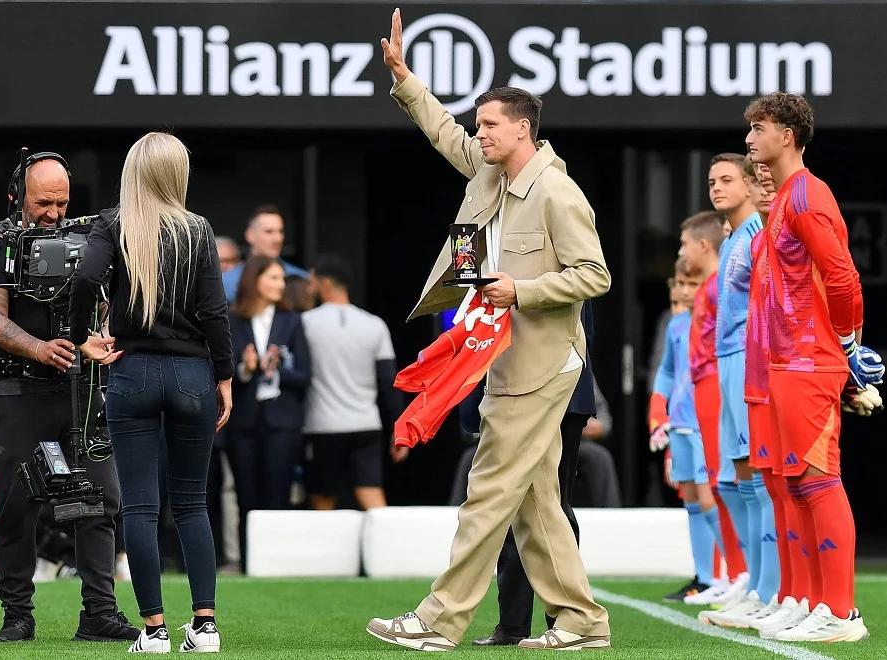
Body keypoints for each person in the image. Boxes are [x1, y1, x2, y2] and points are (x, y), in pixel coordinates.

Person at [367, 9, 611, 651]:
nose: (479, 135)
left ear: (523, 130)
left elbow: (595, 275)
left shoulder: (560, 193)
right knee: (535, 503)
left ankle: (439, 619)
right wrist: (402, 75)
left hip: (543, 365)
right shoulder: (487, 172)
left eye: (490, 125)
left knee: (488, 491)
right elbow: (441, 130)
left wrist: (521, 290)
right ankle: (583, 621)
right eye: (480, 126)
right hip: (501, 363)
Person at [69, 132, 233, 654]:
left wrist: (82, 340)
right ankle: (204, 626)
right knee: (191, 505)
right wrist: (225, 376)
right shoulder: (198, 230)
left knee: (139, 507)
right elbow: (214, 311)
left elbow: (83, 281)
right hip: (192, 375)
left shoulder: (114, 224)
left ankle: (155, 629)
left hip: (132, 370)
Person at [0, 153, 138, 643]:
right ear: (18, 195)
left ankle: (99, 613)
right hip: (18, 388)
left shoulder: (89, 238)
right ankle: (17, 615)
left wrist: (104, 332)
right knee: (16, 505)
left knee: (97, 502)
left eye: (62, 201)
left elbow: (110, 297)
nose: (54, 212)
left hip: (80, 389)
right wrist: (40, 349)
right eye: (44, 202)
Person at [746, 91, 881, 642]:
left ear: (787, 134)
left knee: (819, 481)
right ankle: (807, 599)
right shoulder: (782, 200)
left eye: (758, 128)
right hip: (785, 360)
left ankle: (842, 613)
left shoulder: (807, 196)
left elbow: (844, 277)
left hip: (809, 360)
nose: (750, 140)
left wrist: (848, 348)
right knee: (794, 484)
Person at [471, 301, 600, 647]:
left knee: (552, 506)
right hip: (516, 387)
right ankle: (515, 624)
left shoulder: (560, 259)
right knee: (518, 507)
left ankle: (565, 621)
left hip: (557, 388)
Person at [701, 152, 782, 628]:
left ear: (751, 186)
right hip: (727, 360)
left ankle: (768, 589)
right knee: (739, 477)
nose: (717, 187)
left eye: (727, 179)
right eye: (712, 181)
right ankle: (754, 583)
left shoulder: (755, 236)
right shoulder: (732, 237)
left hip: (750, 361)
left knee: (759, 476)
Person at [680, 210, 747, 608]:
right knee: (722, 483)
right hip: (708, 383)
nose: (681, 250)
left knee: (730, 481)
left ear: (704, 246)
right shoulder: (707, 285)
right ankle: (734, 572)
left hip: (718, 382)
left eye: (685, 243)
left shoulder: (719, 285)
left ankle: (743, 573)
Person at [647, 258, 724, 602]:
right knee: (691, 499)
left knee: (710, 497)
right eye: (679, 283)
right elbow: (666, 372)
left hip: (705, 423)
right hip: (679, 424)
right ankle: (704, 578)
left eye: (692, 284)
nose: (684, 290)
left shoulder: (716, 322)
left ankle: (735, 575)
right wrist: (657, 413)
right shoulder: (676, 326)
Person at [302, 255, 405, 511]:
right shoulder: (374, 324)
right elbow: (388, 380)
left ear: (324, 283)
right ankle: (387, 549)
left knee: (322, 499)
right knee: (371, 493)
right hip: (366, 424)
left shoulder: (306, 323)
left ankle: (325, 551)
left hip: (323, 425)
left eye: (312, 281)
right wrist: (398, 429)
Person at [227, 255, 311, 562]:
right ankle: (248, 562)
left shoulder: (293, 320)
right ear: (254, 280)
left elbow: (305, 374)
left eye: (281, 279)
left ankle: (278, 562)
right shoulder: (233, 319)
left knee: (278, 493)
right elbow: (224, 371)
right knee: (246, 494)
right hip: (244, 420)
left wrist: (274, 370)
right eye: (273, 278)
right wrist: (247, 369)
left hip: (282, 420)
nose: (280, 285)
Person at [221, 205, 308, 301]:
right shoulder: (225, 283)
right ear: (250, 235)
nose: (277, 238)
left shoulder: (300, 278)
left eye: (280, 231)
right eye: (269, 231)